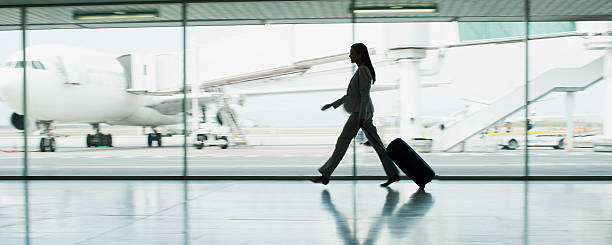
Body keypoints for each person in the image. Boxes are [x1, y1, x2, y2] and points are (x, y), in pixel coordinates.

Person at [312, 43, 400, 187]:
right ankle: (393, 174)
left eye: (352, 53)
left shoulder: (363, 71)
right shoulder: (361, 70)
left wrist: (361, 117)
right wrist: (333, 104)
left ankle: (325, 175)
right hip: (362, 112)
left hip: (361, 113)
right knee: (376, 145)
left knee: (343, 141)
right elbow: (351, 96)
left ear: (359, 55)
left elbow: (365, 96)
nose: (349, 55)